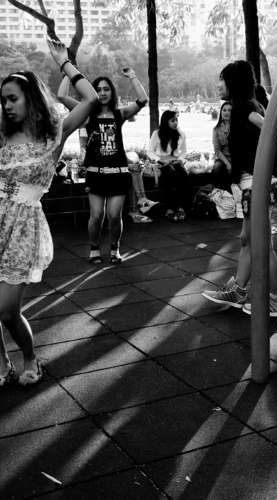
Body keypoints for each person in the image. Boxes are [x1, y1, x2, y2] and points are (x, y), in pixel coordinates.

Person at [0, 38, 98, 387]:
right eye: (3, 100)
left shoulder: (53, 135)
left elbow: (91, 100)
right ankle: (2, 362)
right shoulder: (2, 135)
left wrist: (64, 63)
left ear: (31, 98)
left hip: (23, 225)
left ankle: (30, 357)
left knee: (7, 310)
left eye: (13, 98)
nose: (6, 106)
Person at [202, 60, 277, 317]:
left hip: (253, 185)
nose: (218, 85)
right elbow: (271, 139)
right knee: (247, 240)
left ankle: (275, 300)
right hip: (253, 184)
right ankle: (238, 290)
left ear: (233, 82)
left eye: (221, 79)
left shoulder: (243, 107)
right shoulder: (251, 104)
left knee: (262, 245)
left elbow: (266, 125)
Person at [57, 68, 148, 264]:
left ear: (112, 92)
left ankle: (115, 248)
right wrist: (67, 71)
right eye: (98, 89)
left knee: (114, 216)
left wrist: (133, 76)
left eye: (106, 89)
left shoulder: (119, 114)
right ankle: (94, 248)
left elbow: (142, 100)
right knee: (97, 216)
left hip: (118, 174)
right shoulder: (87, 114)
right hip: (96, 175)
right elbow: (62, 96)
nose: (102, 93)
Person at [147, 110, 189, 222]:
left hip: (175, 161)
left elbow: (184, 152)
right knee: (170, 174)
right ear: (166, 121)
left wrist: (179, 160)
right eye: (172, 121)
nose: (175, 123)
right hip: (162, 162)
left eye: (176, 120)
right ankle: (169, 209)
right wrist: (159, 160)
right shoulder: (157, 134)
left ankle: (180, 207)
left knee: (184, 175)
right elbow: (150, 152)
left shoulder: (181, 134)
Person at [212, 101, 232, 192]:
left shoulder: (238, 127)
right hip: (223, 158)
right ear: (221, 112)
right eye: (224, 110)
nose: (226, 112)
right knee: (217, 167)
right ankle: (219, 193)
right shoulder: (216, 129)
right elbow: (217, 151)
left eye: (229, 110)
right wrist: (227, 163)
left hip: (236, 158)